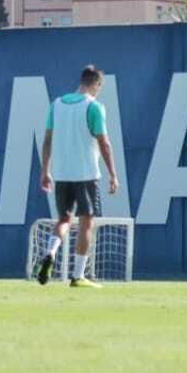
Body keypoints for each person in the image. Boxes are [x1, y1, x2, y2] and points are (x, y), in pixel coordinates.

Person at [37, 64, 121, 288]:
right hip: (86, 174)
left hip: (62, 174)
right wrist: (113, 173)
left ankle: (51, 253)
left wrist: (45, 171)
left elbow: (47, 141)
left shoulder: (57, 105)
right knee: (86, 223)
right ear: (96, 84)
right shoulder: (94, 106)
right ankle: (77, 275)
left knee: (63, 220)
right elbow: (104, 142)